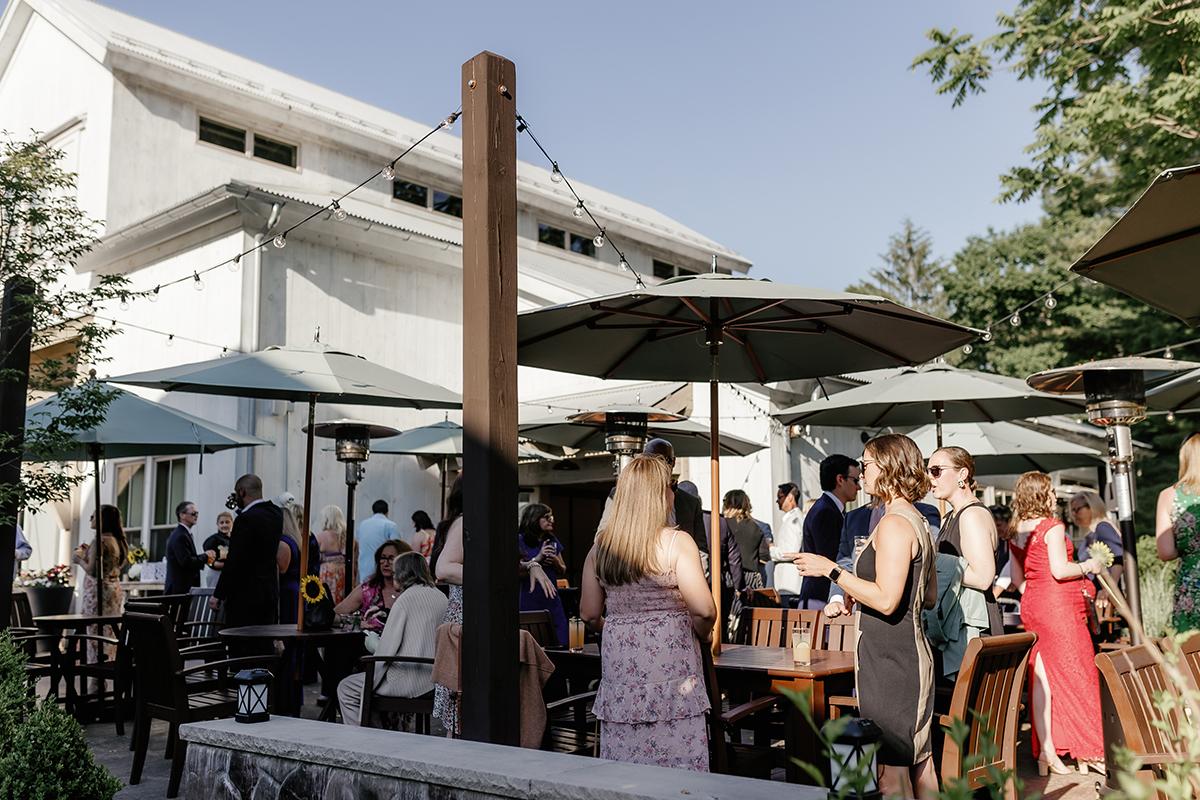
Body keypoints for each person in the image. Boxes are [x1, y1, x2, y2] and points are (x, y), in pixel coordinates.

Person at [791, 434, 938, 800]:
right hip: (905, 654)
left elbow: (888, 601)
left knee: (891, 773)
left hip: (891, 661)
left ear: (888, 468)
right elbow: (927, 595)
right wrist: (858, 598)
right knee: (921, 764)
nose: (862, 471)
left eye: (867, 464)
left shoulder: (893, 524)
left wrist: (831, 571)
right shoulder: (915, 519)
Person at [581, 454, 716, 771]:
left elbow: (588, 612)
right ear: (660, 495)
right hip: (672, 668)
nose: (674, 494)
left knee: (625, 760)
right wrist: (700, 632)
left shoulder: (601, 546)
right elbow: (705, 609)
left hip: (621, 669)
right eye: (671, 487)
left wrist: (619, 627)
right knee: (676, 756)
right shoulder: (676, 543)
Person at [1009, 471, 1105, 775]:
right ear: (1042, 495)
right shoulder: (1052, 526)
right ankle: (1089, 751)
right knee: (1079, 674)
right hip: (1058, 608)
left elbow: (1016, 580)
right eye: (1050, 491)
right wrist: (1090, 564)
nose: (1054, 496)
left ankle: (1047, 753)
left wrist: (1037, 597)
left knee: (1044, 679)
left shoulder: (1015, 531)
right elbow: (1061, 570)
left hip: (1034, 605)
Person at [337, 552, 447, 726]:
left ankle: (360, 742)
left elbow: (387, 650)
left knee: (346, 688)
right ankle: (379, 733)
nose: (393, 576)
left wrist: (373, 644)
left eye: (396, 573)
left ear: (404, 574)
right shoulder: (441, 597)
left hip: (408, 679)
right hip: (433, 680)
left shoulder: (405, 600)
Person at [927, 447, 1002, 638]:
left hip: (972, 626)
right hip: (956, 620)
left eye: (936, 470)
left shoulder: (972, 515)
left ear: (962, 473)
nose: (930, 478)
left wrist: (930, 564)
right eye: (927, 471)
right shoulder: (950, 517)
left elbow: (983, 578)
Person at [212, 474, 284, 627]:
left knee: (243, 644)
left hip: (245, 595)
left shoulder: (244, 520)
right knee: (263, 642)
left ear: (242, 492)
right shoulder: (276, 513)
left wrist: (218, 594)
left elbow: (235, 560)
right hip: (268, 591)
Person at [797, 454, 861, 610]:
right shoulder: (826, 512)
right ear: (840, 479)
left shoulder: (826, 508)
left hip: (823, 596)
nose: (859, 487)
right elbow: (831, 560)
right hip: (822, 598)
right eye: (856, 480)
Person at [677, 480, 742, 632]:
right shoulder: (719, 521)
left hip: (686, 589)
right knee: (719, 630)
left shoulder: (675, 520)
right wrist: (739, 587)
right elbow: (734, 558)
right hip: (716, 586)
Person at [73, 504, 129, 665]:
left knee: (94, 631)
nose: (90, 519)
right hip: (113, 590)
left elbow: (93, 571)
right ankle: (107, 664)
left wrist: (79, 559)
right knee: (108, 632)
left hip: (97, 592)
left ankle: (95, 671)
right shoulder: (117, 541)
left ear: (103, 520)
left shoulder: (100, 541)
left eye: (93, 516)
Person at [1156, 432, 1200, 633]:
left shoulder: (1169, 496)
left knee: (1191, 651)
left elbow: (1165, 552)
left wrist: (1189, 548)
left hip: (1191, 581)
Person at [517, 503, 568, 645]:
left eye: (551, 516)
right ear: (533, 518)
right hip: (529, 597)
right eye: (546, 517)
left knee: (560, 639)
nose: (551, 520)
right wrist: (537, 559)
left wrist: (555, 561)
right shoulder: (520, 540)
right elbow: (515, 571)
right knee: (533, 640)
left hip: (551, 597)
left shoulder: (552, 540)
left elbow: (563, 570)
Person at [335, 539, 411, 632]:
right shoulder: (367, 590)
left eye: (391, 559)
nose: (386, 563)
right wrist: (357, 623)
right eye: (383, 558)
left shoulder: (412, 590)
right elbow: (334, 615)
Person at [1070, 491, 1124, 589]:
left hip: (1104, 595)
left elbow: (1118, 560)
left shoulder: (1103, 527)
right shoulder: (1090, 534)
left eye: (1078, 509)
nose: (1074, 514)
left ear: (1092, 506)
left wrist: (1109, 591)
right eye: (1072, 511)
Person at [164, 501, 215, 596]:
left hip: (183, 589)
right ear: (182, 515)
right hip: (179, 591)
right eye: (193, 513)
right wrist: (205, 556)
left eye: (197, 513)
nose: (196, 516)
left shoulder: (184, 533)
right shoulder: (180, 535)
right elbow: (186, 562)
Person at [723, 490, 768, 593]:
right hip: (751, 577)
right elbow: (764, 557)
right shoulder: (756, 528)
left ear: (727, 504)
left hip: (729, 576)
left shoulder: (722, 525)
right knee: (751, 608)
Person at [770, 483, 804, 607]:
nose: (777, 501)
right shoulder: (792, 519)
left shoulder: (794, 520)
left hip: (790, 583)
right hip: (787, 582)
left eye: (780, 497)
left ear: (790, 497)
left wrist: (771, 550)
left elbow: (790, 551)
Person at [356, 500, 398, 587]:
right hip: (384, 568)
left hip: (364, 568)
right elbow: (397, 547)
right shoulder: (390, 525)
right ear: (387, 511)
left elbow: (357, 543)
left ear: (373, 511)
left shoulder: (362, 525)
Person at [317, 505, 347, 604]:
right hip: (343, 572)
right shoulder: (348, 537)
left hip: (326, 573)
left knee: (326, 602)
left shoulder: (321, 537)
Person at [203, 511, 234, 588]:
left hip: (231, 573)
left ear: (232, 523)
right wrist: (214, 564)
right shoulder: (212, 540)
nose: (224, 525)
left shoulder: (235, 539)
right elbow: (208, 561)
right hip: (216, 574)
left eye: (227, 522)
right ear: (217, 524)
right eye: (221, 522)